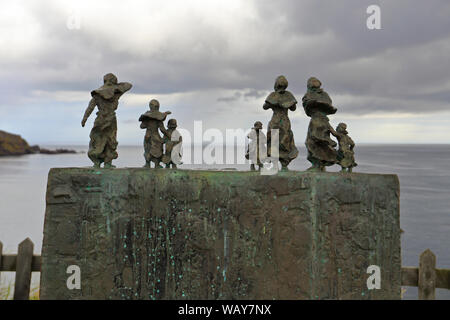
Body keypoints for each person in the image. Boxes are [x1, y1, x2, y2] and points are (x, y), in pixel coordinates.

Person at [81, 73, 132, 168]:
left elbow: (90, 108)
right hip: (111, 119)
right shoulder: (116, 92)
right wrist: (116, 86)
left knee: (97, 140)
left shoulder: (98, 93)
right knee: (110, 139)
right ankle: (107, 162)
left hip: (100, 119)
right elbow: (128, 85)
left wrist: (85, 118)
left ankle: (98, 162)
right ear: (114, 81)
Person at [302, 77, 339, 172]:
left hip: (323, 120)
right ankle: (316, 164)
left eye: (315, 81)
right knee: (310, 142)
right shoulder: (308, 95)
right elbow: (307, 109)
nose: (314, 83)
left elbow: (329, 104)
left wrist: (319, 104)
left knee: (322, 142)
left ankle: (320, 164)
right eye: (312, 82)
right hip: (314, 119)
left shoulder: (324, 94)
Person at [263, 75, 299, 171]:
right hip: (284, 121)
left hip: (276, 120)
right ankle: (284, 165)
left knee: (276, 142)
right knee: (284, 142)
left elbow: (265, 106)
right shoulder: (288, 95)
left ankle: (276, 164)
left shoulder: (273, 95)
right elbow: (293, 108)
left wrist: (274, 102)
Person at [139, 99, 171, 168]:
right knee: (157, 151)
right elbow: (162, 129)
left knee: (147, 149)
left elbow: (142, 126)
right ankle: (156, 165)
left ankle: (148, 164)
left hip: (147, 136)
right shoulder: (158, 119)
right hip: (155, 136)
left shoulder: (147, 117)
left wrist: (146, 122)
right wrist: (169, 135)